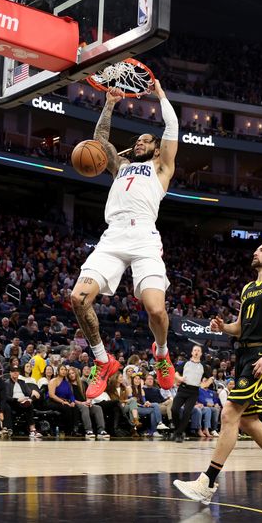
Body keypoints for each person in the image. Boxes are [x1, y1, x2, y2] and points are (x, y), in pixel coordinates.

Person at [174, 240, 262, 506]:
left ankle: (207, 482)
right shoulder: (248, 287)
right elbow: (239, 327)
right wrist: (223, 327)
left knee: (229, 413)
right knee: (247, 421)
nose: (255, 252)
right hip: (244, 354)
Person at [69, 81, 179, 399]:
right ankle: (104, 362)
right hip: (113, 234)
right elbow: (100, 141)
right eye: (139, 140)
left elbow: (172, 125)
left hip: (144, 235)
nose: (140, 142)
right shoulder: (122, 167)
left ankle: (161, 353)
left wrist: (160, 93)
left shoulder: (162, 168)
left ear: (157, 148)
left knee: (156, 310)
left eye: (147, 140)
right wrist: (109, 103)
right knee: (78, 299)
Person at [171, 345, 205, 443]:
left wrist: (205, 383)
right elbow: (176, 373)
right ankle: (179, 431)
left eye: (198, 350)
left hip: (193, 392)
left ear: (201, 353)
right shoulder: (185, 363)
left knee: (186, 412)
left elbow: (210, 377)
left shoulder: (203, 365)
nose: (196, 352)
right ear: (192, 352)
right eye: (195, 350)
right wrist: (179, 378)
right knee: (174, 409)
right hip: (182, 389)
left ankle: (178, 434)